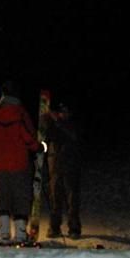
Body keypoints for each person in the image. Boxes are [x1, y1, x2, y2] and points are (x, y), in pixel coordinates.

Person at [0, 80, 44, 242]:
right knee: (20, 196)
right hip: (19, 162)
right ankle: (21, 234)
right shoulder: (20, 113)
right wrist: (39, 147)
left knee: (2, 196)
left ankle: (4, 233)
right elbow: (29, 137)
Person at [44, 98, 82, 239]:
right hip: (55, 165)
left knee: (72, 197)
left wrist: (58, 122)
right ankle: (54, 227)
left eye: (65, 112)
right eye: (60, 112)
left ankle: (74, 228)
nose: (62, 114)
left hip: (71, 165)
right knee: (55, 197)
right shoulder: (53, 125)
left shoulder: (72, 125)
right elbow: (45, 139)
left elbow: (74, 136)